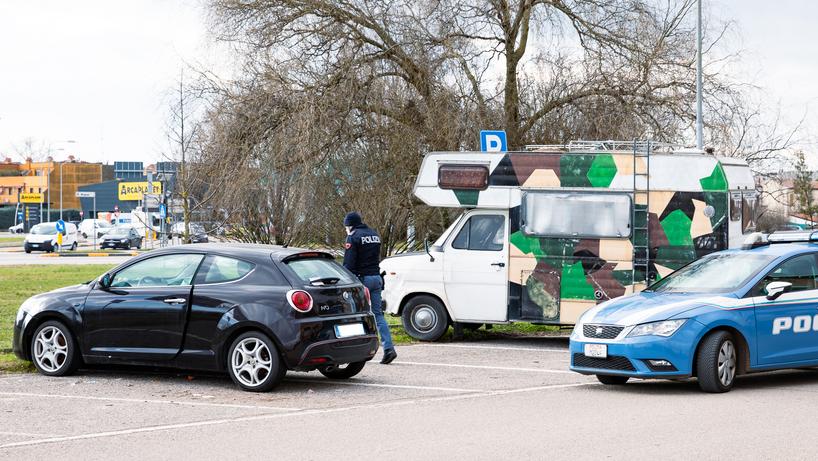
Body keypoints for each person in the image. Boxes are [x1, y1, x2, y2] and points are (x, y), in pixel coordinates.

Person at [342, 211, 397, 365]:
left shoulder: (353, 237)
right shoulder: (374, 234)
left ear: (350, 225)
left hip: (362, 281)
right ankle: (389, 348)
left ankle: (356, 351)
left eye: (346, 226)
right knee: (378, 315)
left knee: (355, 315)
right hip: (376, 278)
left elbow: (348, 264)